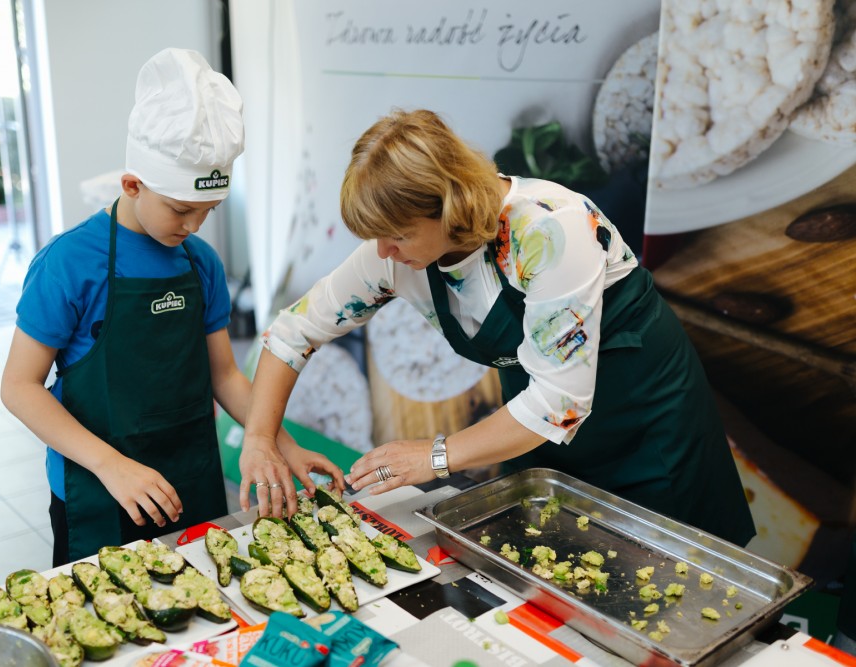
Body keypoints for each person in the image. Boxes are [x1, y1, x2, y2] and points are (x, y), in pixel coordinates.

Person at [240, 108, 755, 546]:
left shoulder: (551, 228)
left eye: (397, 235)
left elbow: (558, 404)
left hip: (644, 425)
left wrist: (434, 456)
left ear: (449, 206)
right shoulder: (393, 256)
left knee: (669, 583)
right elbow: (292, 333)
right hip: (527, 432)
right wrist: (260, 438)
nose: (383, 252)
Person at [1, 48, 343, 565]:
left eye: (209, 211)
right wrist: (111, 465)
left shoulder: (199, 262)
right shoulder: (68, 264)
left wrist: (282, 444)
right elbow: (19, 387)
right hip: (100, 486)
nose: (194, 226)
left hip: (191, 481)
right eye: (182, 210)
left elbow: (224, 375)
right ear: (132, 185)